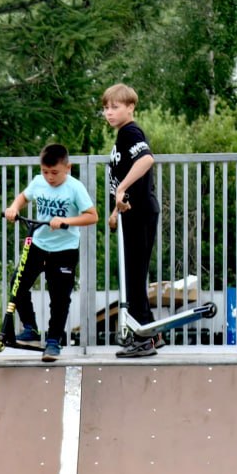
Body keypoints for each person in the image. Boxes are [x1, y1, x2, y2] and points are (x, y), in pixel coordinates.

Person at [2, 143, 98, 362]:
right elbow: (23, 197)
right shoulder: (38, 182)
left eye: (54, 173)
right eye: (45, 172)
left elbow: (92, 216)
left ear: (68, 168)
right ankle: (30, 329)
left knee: (59, 297)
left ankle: (54, 341)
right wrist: (14, 208)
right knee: (18, 282)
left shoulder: (75, 188)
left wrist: (66, 221)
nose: (49, 177)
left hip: (64, 250)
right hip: (38, 244)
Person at [102, 82, 160, 358]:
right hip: (131, 213)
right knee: (134, 276)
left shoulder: (130, 132)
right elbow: (120, 185)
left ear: (130, 107)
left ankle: (144, 339)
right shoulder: (122, 136)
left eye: (115, 107)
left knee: (135, 277)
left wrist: (123, 188)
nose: (109, 113)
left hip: (141, 213)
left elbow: (146, 160)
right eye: (105, 108)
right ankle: (150, 333)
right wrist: (115, 211)